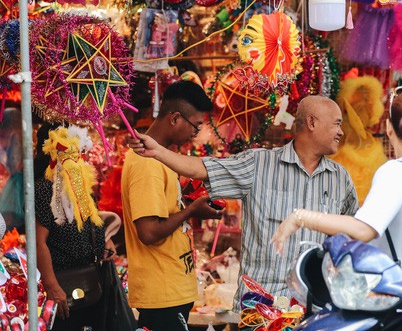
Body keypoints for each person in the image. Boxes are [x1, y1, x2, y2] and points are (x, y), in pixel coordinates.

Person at [128, 95, 358, 309]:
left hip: (314, 309)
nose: (340, 132)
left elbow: (353, 238)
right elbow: (202, 169)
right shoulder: (259, 164)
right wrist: (158, 151)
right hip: (260, 310)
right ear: (312, 122)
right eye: (336, 124)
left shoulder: (341, 179)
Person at [271, 87, 402, 284]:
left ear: (389, 128)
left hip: (401, 304)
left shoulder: (396, 171)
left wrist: (301, 217)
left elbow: (364, 229)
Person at [121, 80, 222, 331]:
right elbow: (149, 232)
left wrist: (187, 198)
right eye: (195, 126)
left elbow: (165, 210)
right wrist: (191, 210)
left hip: (172, 288)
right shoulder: (147, 164)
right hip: (161, 293)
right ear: (175, 118)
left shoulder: (161, 157)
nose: (195, 134)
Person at [34, 123, 115, 330]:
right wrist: (52, 286)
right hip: (63, 284)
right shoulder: (45, 189)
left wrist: (105, 239)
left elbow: (92, 219)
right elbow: (38, 242)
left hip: (89, 277)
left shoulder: (79, 184)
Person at [0, 107, 25, 232]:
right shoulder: (21, 137)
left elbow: (13, 163)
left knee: (10, 218)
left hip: (16, 181)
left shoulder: (15, 138)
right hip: (17, 180)